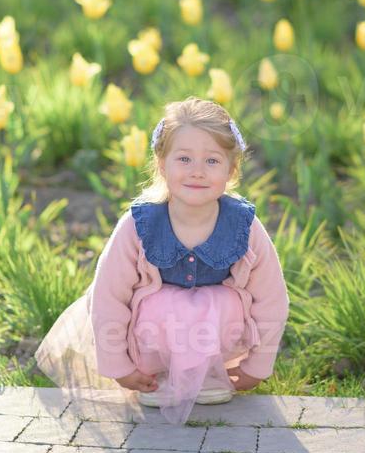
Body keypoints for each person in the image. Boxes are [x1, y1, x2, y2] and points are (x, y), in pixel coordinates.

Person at [35, 96, 290, 426]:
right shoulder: (139, 225)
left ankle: (209, 374)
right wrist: (119, 366)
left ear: (231, 170)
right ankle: (158, 374)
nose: (197, 171)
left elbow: (272, 297)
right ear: (161, 164)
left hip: (217, 334)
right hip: (149, 336)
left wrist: (259, 364)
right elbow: (108, 296)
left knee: (225, 301)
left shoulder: (243, 225)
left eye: (212, 161)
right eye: (184, 158)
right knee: (157, 302)